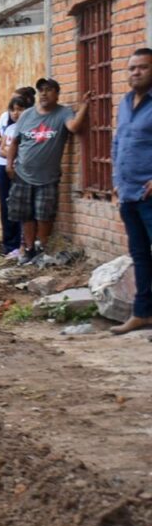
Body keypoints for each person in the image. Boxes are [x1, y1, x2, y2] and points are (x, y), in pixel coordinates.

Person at [6, 79, 92, 264]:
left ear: (57, 94)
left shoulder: (63, 113)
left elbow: (74, 127)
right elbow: (15, 142)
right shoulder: (27, 115)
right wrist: (9, 164)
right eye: (41, 90)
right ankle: (29, 250)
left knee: (44, 215)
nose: (44, 94)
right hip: (23, 173)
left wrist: (84, 106)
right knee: (26, 215)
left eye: (48, 90)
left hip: (48, 176)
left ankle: (41, 248)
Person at [109, 48, 152, 334]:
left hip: (149, 195)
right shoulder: (125, 102)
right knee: (140, 256)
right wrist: (117, 178)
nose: (136, 72)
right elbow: (118, 142)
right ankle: (143, 313)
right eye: (132, 68)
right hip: (128, 193)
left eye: (143, 67)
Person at [0, 94, 31, 259]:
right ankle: (9, 244)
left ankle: (21, 243)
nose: (15, 113)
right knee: (6, 205)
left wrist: (13, 154)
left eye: (19, 109)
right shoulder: (8, 128)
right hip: (3, 167)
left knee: (20, 205)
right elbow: (1, 150)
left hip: (20, 170)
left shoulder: (29, 128)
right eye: (12, 110)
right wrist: (12, 154)